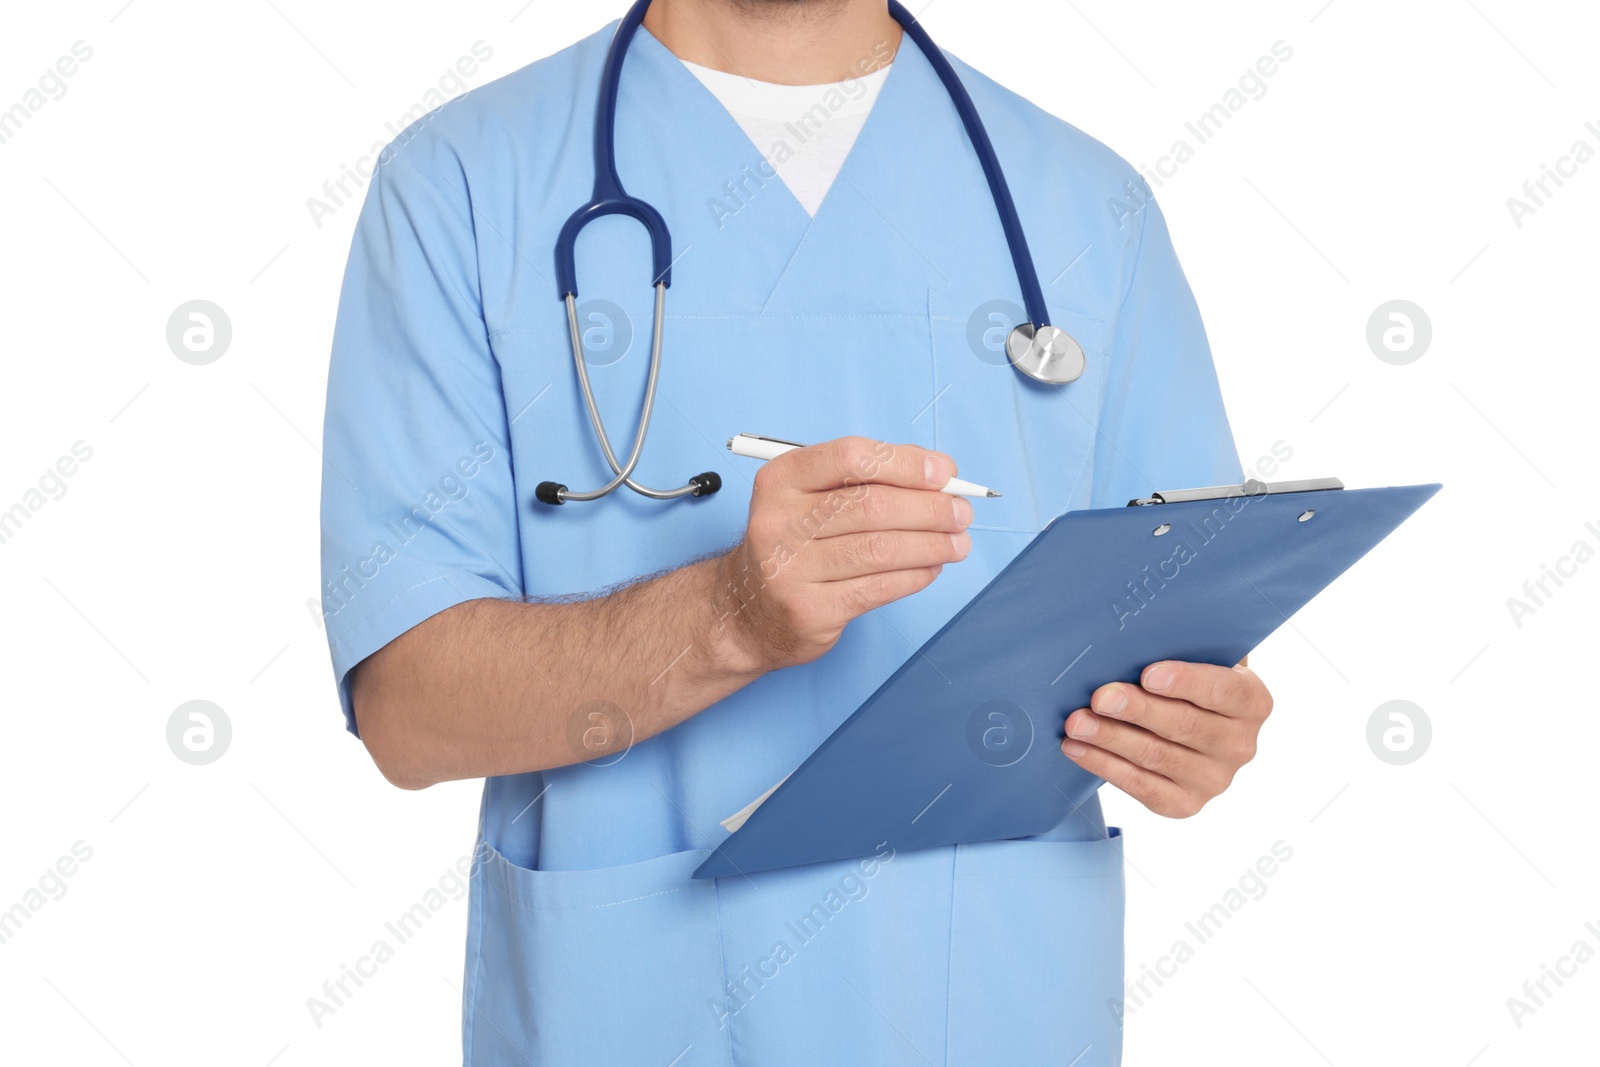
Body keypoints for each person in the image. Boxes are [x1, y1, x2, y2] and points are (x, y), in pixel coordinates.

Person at [318, 1, 1274, 1063]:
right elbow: (408, 708)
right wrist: (726, 618)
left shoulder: (1088, 207)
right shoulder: (461, 183)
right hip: (639, 1005)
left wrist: (1189, 730)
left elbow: (1185, 616)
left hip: (991, 998)